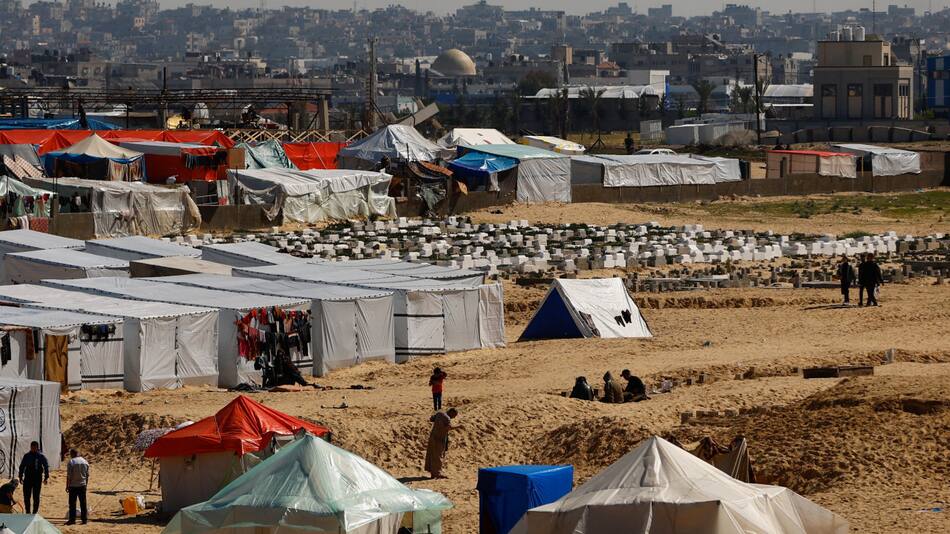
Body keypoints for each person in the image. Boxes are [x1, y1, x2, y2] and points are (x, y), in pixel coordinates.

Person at [424, 408, 461, 479]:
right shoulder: (447, 418)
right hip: (439, 439)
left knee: (432, 455)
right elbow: (448, 428)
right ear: (451, 412)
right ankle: (437, 473)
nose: (454, 417)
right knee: (439, 456)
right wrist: (459, 426)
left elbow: (431, 419)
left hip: (433, 437)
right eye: (454, 415)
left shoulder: (439, 414)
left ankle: (433, 473)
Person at [18, 441, 49, 514]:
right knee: (26, 496)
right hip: (28, 478)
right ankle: (28, 511)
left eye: (35, 447)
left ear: (37, 447)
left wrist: (46, 477)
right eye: (32, 447)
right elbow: (22, 466)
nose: (33, 449)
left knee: (36, 496)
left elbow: (46, 466)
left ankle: (35, 512)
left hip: (37, 478)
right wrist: (20, 476)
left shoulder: (41, 456)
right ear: (30, 447)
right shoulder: (27, 456)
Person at [65, 449, 89, 525]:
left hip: (73, 485)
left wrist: (67, 486)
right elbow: (87, 475)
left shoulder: (71, 462)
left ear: (72, 454)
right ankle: (84, 519)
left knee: (72, 503)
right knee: (83, 503)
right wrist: (86, 484)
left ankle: (72, 520)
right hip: (82, 485)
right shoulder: (85, 461)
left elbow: (69, 476)